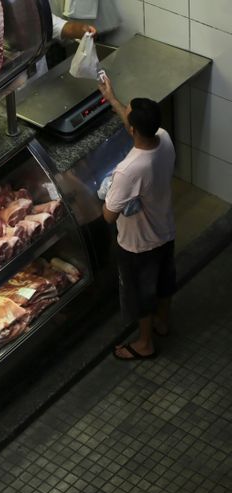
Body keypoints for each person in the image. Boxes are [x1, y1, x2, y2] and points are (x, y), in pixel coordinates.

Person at [98, 74, 176, 361]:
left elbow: (108, 215)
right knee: (165, 281)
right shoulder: (164, 138)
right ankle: (163, 323)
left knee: (141, 295)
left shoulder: (129, 170)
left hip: (138, 244)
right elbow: (136, 127)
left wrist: (104, 192)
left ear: (132, 129)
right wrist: (112, 98)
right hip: (165, 229)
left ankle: (145, 343)